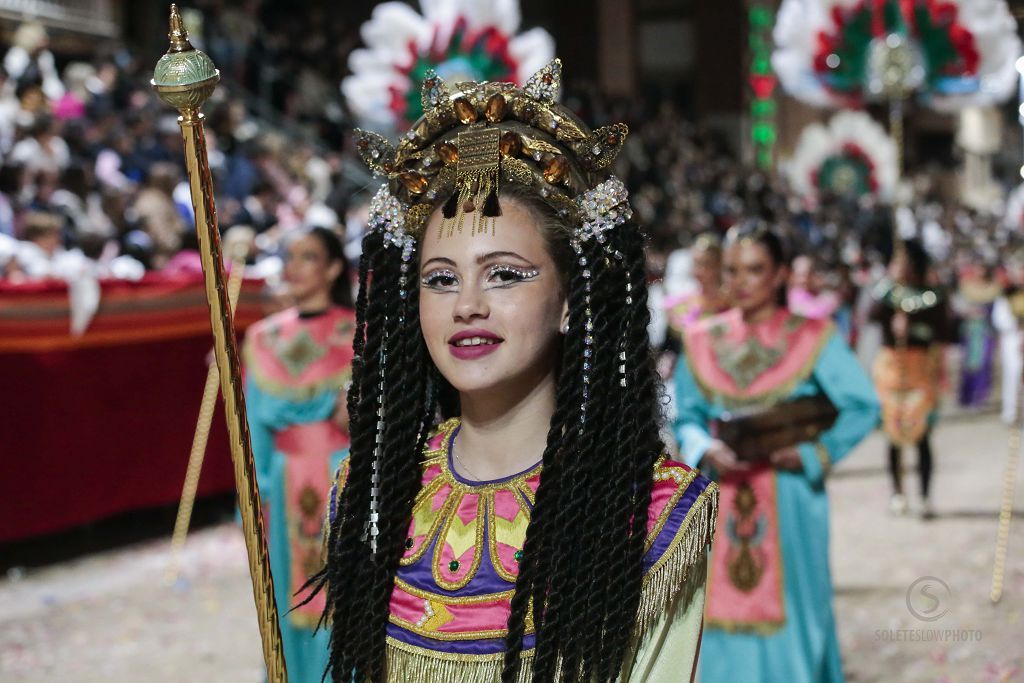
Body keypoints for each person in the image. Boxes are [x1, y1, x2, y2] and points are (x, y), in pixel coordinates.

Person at [315, 61, 718, 682]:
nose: (467, 304)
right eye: (440, 279)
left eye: (505, 273)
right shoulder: (371, 493)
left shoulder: (652, 513)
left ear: (568, 301)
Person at [673, 222, 879, 683]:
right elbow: (685, 416)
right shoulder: (702, 339)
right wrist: (704, 445)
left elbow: (863, 406)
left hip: (789, 498)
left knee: (799, 612)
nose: (741, 281)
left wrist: (814, 454)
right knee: (722, 615)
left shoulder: (813, 337)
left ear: (781, 274)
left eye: (755, 269)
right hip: (724, 496)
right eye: (732, 270)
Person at [242, 226, 355, 682]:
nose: (293, 266)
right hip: (285, 483)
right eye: (290, 256)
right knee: (290, 601)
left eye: (308, 256)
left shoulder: (358, 329)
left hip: (342, 477)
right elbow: (254, 428)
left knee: (346, 597)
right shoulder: (263, 339)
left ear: (331, 268)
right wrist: (254, 497)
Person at [868, 240, 956, 518]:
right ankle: (897, 492)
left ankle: (925, 495)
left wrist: (916, 328)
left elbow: (944, 331)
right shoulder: (886, 295)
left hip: (919, 370)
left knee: (921, 434)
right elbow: (869, 315)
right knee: (893, 433)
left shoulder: (931, 296)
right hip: (892, 370)